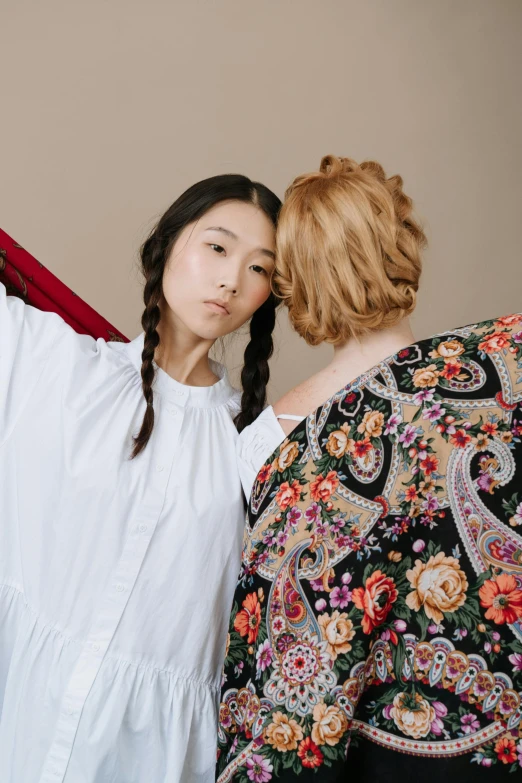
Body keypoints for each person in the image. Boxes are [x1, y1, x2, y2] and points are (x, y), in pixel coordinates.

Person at [216, 156, 522, 780]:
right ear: (403, 247)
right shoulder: (505, 376)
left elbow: (262, 647)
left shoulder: (269, 447)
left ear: (294, 282)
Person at [0, 174, 281, 783]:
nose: (232, 279)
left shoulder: (258, 450)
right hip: (20, 724)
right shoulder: (55, 367)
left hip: (150, 758)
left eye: (260, 269)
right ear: (167, 244)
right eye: (217, 247)